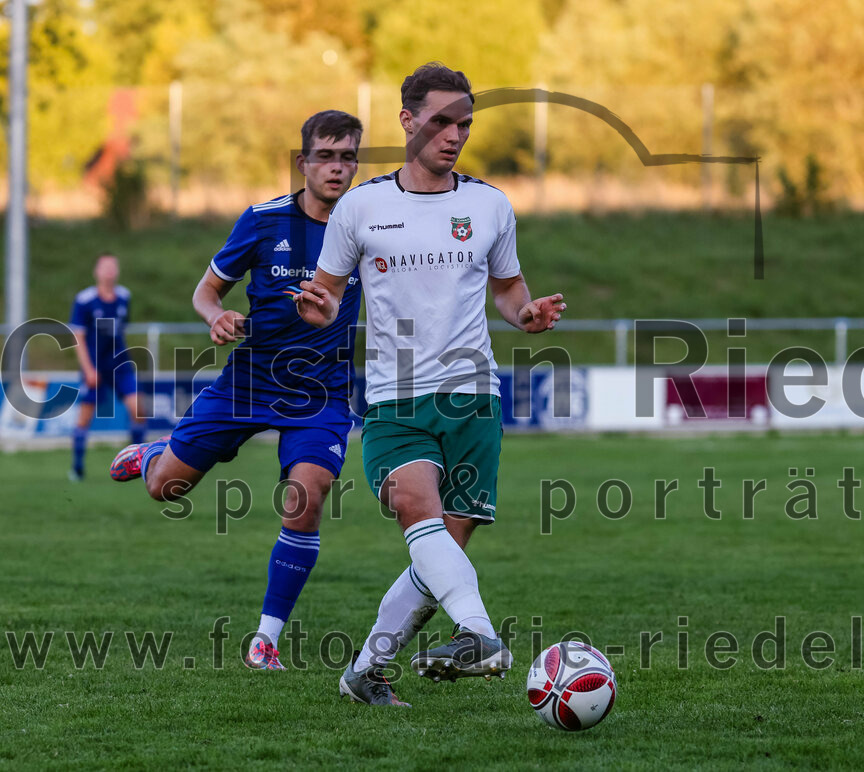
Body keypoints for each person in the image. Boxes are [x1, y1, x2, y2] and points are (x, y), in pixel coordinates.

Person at [296, 63, 566, 706]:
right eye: (442, 121)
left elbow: (507, 288)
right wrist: (320, 309)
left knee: (442, 547)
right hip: (397, 399)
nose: (454, 135)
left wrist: (525, 313)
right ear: (407, 120)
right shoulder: (361, 207)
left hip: (474, 396)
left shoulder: (489, 204)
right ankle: (480, 634)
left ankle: (365, 672)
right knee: (418, 511)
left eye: (464, 123)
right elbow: (329, 292)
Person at [109, 110, 364, 672]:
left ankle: (265, 640)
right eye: (327, 155)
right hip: (246, 382)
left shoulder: (368, 225)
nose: (338, 168)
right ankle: (155, 453)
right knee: (164, 490)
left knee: (308, 495)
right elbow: (207, 291)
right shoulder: (262, 220)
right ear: (303, 162)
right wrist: (215, 316)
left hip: (321, 393)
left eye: (349, 156)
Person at [68, 253, 147, 481]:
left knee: (138, 410)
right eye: (105, 267)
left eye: (113, 266)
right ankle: (77, 468)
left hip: (119, 363)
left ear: (118, 271)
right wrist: (89, 369)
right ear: (97, 271)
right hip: (93, 365)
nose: (110, 271)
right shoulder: (84, 300)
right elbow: (78, 337)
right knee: (84, 417)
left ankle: (136, 464)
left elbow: (121, 330)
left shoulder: (124, 297)